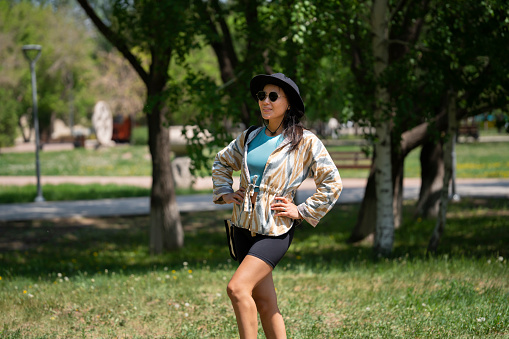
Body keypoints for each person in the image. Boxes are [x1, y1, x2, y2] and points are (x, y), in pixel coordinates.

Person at [212, 73, 342, 339]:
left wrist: (301, 210)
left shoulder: (305, 141)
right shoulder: (249, 137)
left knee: (237, 289)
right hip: (242, 226)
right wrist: (225, 192)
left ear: (289, 103)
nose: (265, 101)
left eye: (273, 96)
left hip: (275, 230)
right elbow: (221, 162)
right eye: (261, 96)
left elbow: (332, 183)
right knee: (266, 304)